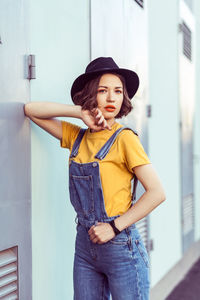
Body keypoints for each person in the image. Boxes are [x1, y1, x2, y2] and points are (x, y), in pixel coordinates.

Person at [24, 57, 166, 300]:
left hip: (121, 246)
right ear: (91, 95)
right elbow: (31, 110)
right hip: (85, 246)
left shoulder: (125, 139)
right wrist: (78, 112)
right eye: (103, 91)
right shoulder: (76, 137)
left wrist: (113, 227)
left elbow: (157, 193)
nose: (112, 98)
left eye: (118, 91)